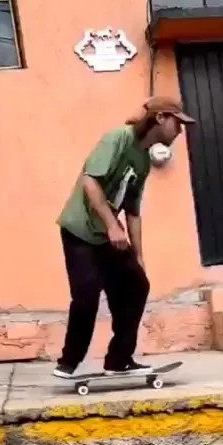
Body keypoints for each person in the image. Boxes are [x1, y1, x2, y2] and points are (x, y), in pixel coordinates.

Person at [53, 96, 195, 378]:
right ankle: (68, 362)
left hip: (108, 235)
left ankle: (119, 360)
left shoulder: (143, 159)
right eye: (177, 124)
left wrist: (138, 256)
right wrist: (111, 226)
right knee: (86, 295)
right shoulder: (118, 137)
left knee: (136, 285)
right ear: (160, 119)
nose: (180, 131)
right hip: (80, 230)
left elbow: (132, 211)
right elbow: (90, 180)